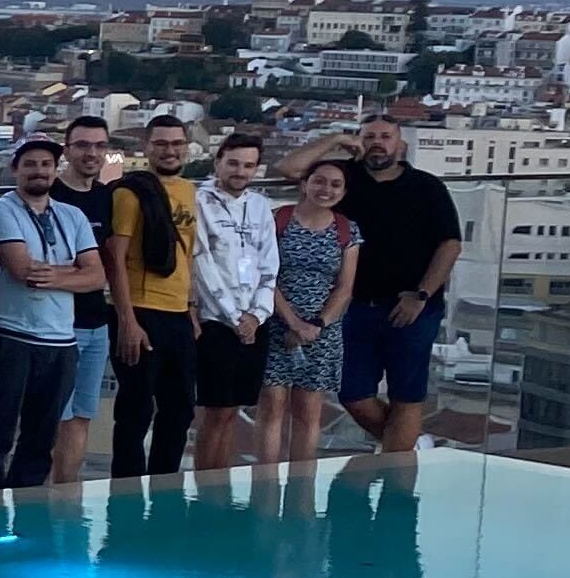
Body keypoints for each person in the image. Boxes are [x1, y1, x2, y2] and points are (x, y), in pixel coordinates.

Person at [0, 137, 102, 491]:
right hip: (14, 334)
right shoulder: (3, 210)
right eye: (30, 164)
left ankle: (24, 503)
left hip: (62, 340)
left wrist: (55, 276)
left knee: (42, 436)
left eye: (46, 164)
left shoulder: (72, 215)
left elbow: (97, 276)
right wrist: (72, 275)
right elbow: (23, 271)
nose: (39, 171)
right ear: (16, 169)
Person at [335, 111, 462, 453]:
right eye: (369, 136)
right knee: (353, 394)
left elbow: (450, 243)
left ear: (400, 144)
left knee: (406, 395)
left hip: (414, 307)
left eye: (385, 136)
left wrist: (421, 295)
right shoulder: (343, 180)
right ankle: (409, 448)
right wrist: (334, 142)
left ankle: (399, 483)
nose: (377, 143)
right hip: (356, 306)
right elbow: (289, 170)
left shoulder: (427, 187)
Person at [99, 116, 201, 479]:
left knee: (180, 408)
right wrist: (127, 320)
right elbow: (116, 258)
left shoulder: (189, 190)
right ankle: (126, 490)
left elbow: (185, 253)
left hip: (177, 312)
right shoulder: (130, 193)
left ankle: (164, 486)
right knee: (136, 408)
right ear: (147, 147)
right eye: (161, 143)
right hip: (141, 310)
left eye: (176, 143)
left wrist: (190, 308)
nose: (169, 150)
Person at [185, 130, 280, 472]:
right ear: (218, 162)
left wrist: (257, 314)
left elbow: (270, 265)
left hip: (254, 323)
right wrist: (234, 317)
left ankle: (218, 484)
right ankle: (204, 485)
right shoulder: (198, 201)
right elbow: (200, 262)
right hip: (216, 320)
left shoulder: (260, 205)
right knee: (216, 411)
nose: (240, 172)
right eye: (234, 164)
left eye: (249, 166)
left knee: (235, 411)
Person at [264, 155, 363, 466]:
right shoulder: (276, 220)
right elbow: (264, 276)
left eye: (335, 185)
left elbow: (345, 288)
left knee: (308, 411)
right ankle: (264, 485)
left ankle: (300, 488)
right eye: (319, 181)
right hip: (276, 322)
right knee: (272, 408)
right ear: (304, 184)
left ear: (344, 192)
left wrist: (316, 324)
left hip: (323, 330)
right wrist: (292, 321)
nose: (326, 189)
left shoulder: (347, 230)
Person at [50, 114, 120, 484]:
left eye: (99, 146)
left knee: (80, 417)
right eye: (83, 145)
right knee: (53, 417)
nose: (91, 153)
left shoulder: (107, 198)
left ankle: (66, 496)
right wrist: (83, 278)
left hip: (97, 323)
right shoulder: (52, 196)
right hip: (58, 325)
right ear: (67, 150)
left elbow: (111, 264)